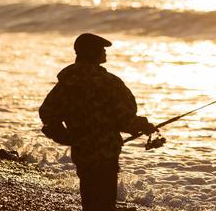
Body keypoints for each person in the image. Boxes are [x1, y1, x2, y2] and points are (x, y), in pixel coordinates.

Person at [39, 33, 156, 211]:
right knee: (105, 201)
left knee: (89, 198)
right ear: (93, 53)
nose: (104, 52)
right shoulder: (110, 83)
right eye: (101, 49)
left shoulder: (67, 82)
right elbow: (125, 119)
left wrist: (68, 137)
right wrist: (144, 126)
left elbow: (47, 114)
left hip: (82, 152)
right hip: (107, 152)